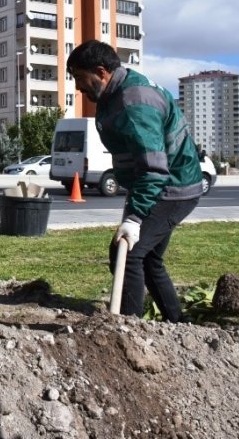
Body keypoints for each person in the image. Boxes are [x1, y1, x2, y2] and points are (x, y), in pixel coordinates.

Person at [66, 40, 201, 321]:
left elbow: (153, 169)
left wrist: (136, 216)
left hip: (171, 186)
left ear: (101, 72)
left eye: (79, 77)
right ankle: (178, 324)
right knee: (149, 258)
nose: (78, 86)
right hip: (156, 185)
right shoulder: (115, 93)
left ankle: (129, 328)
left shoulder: (134, 102)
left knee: (128, 255)